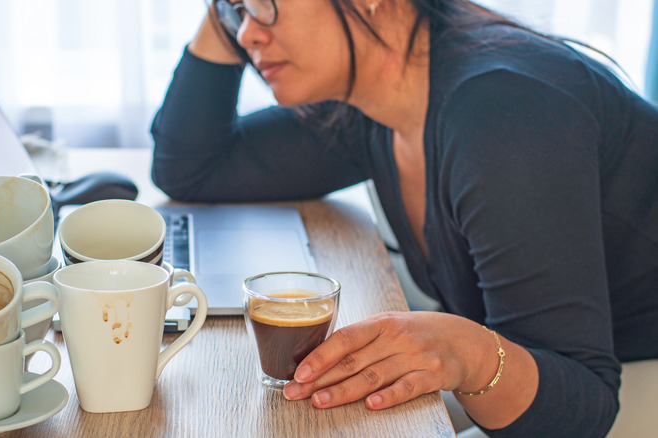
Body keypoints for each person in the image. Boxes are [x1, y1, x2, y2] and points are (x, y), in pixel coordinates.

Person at [150, 0, 658, 436]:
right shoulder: (374, 106)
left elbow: (584, 408)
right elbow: (192, 166)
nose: (246, 33)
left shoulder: (503, 114)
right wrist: (224, 12)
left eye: (263, 4)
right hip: (555, 378)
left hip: (626, 381)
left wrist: (471, 353)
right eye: (236, 11)